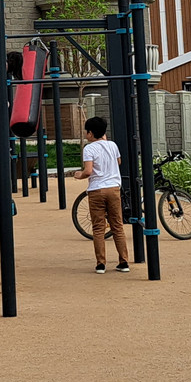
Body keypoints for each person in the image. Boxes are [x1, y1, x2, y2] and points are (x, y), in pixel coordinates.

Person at [78, 116, 130, 273]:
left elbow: (88, 171)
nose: (85, 134)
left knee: (98, 228)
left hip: (96, 190)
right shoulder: (112, 145)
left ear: (91, 133)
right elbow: (118, 161)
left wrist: (78, 175)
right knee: (117, 226)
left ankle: (101, 263)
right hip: (114, 188)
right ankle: (124, 262)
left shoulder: (89, 149)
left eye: (86, 132)